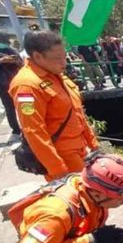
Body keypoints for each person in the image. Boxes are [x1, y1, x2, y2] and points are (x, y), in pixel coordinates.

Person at [10, 31, 99, 181]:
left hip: (80, 149)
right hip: (62, 156)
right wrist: (57, 169)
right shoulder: (27, 85)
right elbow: (34, 131)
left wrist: (93, 144)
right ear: (38, 56)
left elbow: (77, 113)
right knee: (81, 198)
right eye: (58, 59)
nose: (64, 63)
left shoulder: (55, 75)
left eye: (64, 57)